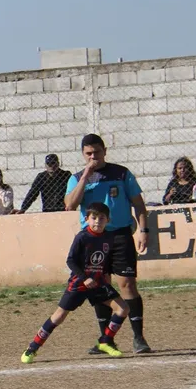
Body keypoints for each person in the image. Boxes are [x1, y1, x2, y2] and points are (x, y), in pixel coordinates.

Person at [64, 133, 151, 354]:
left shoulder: (121, 173)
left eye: (97, 152)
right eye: (88, 154)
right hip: (93, 240)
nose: (93, 157)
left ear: (105, 151)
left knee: (127, 285)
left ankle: (139, 338)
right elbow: (70, 205)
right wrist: (85, 176)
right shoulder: (76, 178)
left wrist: (144, 230)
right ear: (83, 155)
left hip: (120, 235)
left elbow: (139, 205)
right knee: (101, 287)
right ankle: (106, 340)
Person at [21, 202, 128, 363]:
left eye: (101, 218)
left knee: (123, 309)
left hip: (98, 283)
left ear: (108, 220)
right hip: (79, 283)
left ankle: (105, 341)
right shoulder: (82, 237)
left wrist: (105, 275)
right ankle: (32, 348)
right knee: (59, 316)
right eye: (94, 218)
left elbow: (104, 261)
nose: (97, 221)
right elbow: (70, 261)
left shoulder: (108, 238)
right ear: (87, 219)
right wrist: (85, 278)